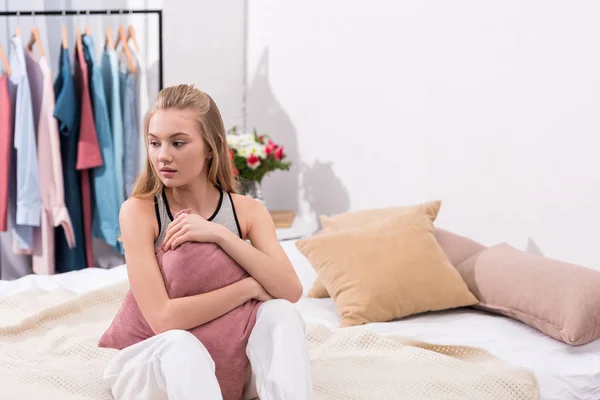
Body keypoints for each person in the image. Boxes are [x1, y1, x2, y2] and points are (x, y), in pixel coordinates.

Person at [102, 84, 313, 400]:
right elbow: (163, 319)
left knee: (280, 313)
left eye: (178, 143)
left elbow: (291, 290)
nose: (163, 156)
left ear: (210, 147)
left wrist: (220, 235)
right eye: (154, 143)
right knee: (181, 344)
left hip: (229, 360)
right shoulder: (140, 211)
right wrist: (249, 289)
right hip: (155, 362)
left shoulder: (247, 211)